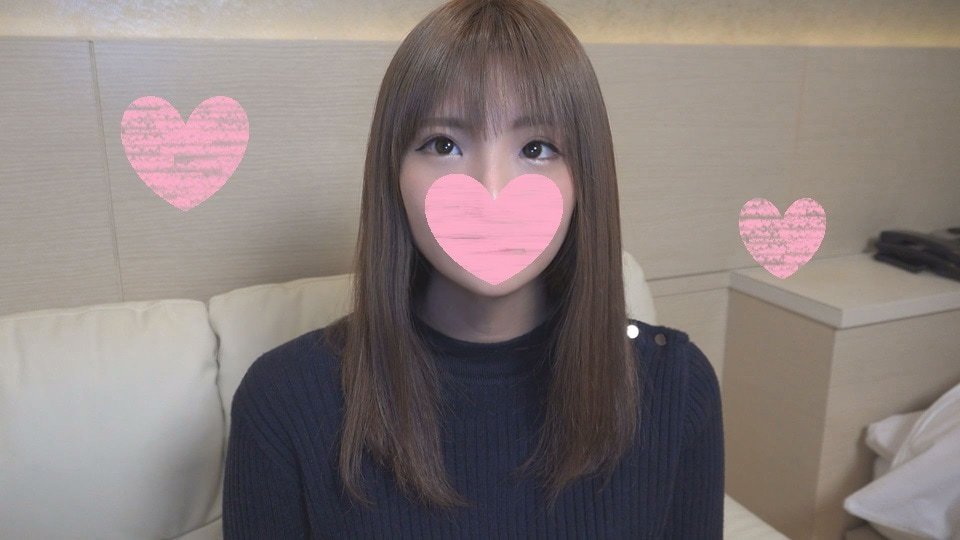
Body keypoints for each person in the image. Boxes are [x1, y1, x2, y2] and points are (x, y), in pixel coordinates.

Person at [222, 0, 724, 537]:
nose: (491, 189)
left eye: (537, 148)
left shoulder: (678, 389)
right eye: (444, 145)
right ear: (392, 173)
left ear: (586, 178)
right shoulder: (282, 401)